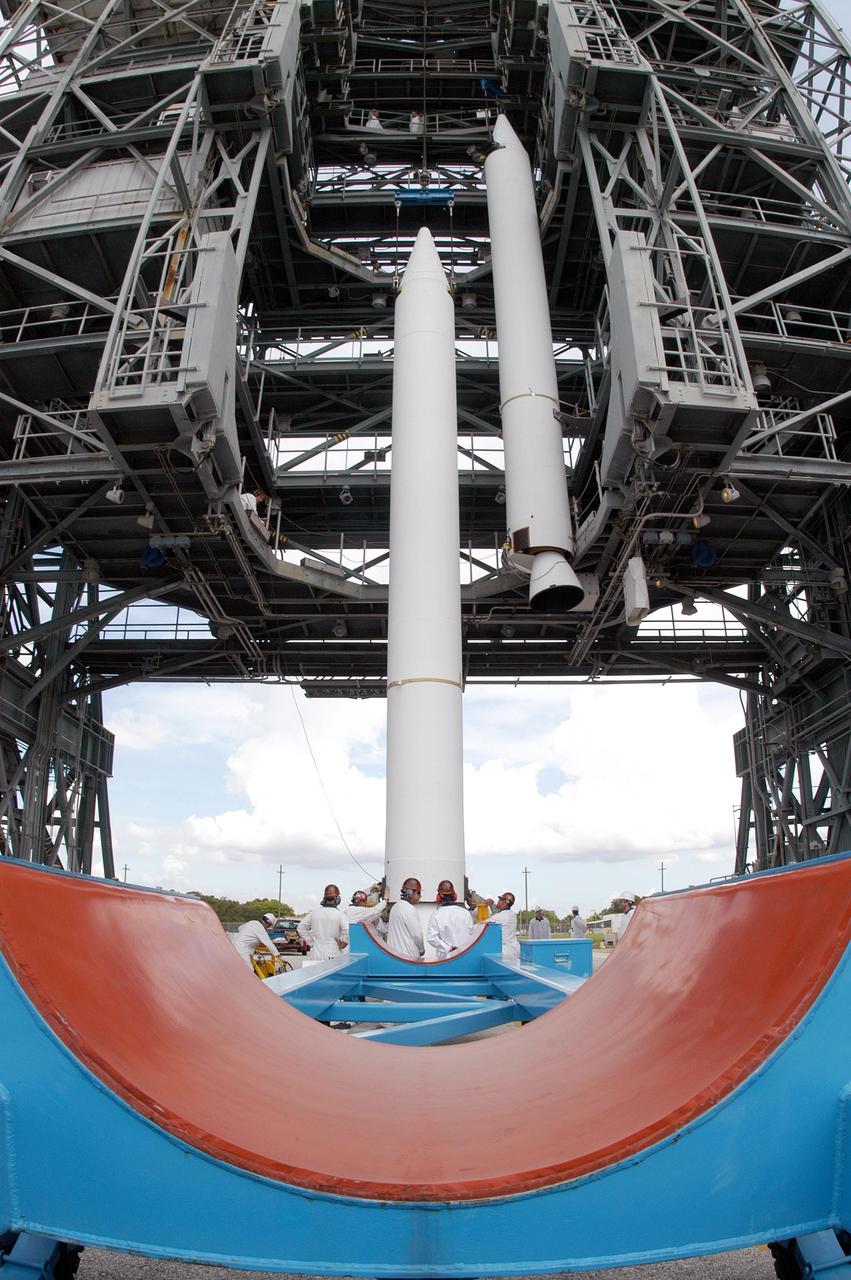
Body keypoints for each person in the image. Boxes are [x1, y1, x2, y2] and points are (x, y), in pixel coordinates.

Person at [297, 884, 349, 961]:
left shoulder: (314, 913)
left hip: (316, 952)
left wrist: (311, 942)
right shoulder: (340, 915)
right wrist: (344, 944)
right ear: (338, 899)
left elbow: (300, 928)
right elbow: (347, 930)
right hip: (332, 952)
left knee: (317, 972)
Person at [427, 879, 474, 959]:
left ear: (439, 896)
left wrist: (449, 948)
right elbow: (472, 934)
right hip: (465, 956)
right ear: (454, 895)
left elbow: (431, 938)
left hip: (445, 960)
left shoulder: (436, 914)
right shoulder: (465, 912)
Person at [386, 877, 424, 959]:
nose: (420, 896)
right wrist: (421, 949)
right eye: (419, 893)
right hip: (408, 957)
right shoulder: (409, 908)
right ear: (410, 893)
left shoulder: (395, 907)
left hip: (393, 955)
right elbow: (417, 935)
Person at [490, 891, 519, 961]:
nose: (498, 901)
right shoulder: (513, 914)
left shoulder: (500, 917)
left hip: (505, 952)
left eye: (500, 899)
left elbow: (480, 925)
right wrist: (492, 904)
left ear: (505, 902)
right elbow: (499, 913)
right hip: (514, 950)